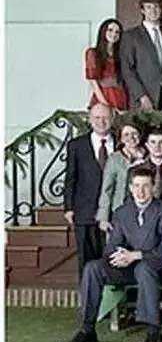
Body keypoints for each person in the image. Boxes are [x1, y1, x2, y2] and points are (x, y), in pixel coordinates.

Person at [61, 167, 162, 342]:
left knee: (144, 269)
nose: (141, 191)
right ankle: (87, 329)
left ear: (153, 187)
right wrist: (120, 256)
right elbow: (112, 246)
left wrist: (136, 255)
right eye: (136, 186)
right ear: (130, 188)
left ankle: (154, 333)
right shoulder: (122, 212)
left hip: (156, 266)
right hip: (128, 266)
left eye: (145, 186)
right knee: (93, 268)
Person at [64, 104, 115, 278]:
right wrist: (68, 207)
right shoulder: (76, 145)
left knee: (112, 260)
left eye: (105, 117)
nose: (101, 121)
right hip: (84, 212)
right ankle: (87, 294)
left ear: (112, 118)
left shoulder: (122, 143)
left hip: (114, 213)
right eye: (97, 118)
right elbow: (71, 177)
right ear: (90, 119)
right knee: (86, 261)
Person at [120, 0, 162, 110]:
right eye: (149, 7)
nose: (153, 10)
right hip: (144, 98)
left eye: (156, 7)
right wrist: (141, 96)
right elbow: (127, 69)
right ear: (142, 11)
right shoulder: (131, 36)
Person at [97, 122, 145, 232]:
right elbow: (107, 189)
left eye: (134, 133)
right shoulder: (114, 159)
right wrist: (103, 218)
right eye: (126, 134)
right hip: (119, 211)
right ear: (121, 138)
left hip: (144, 212)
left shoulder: (148, 156)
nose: (131, 138)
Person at [84, 18, 128, 109]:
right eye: (110, 30)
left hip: (121, 96)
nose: (114, 34)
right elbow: (94, 82)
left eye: (117, 32)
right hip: (104, 96)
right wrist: (106, 105)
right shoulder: (93, 53)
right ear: (103, 31)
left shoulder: (121, 55)